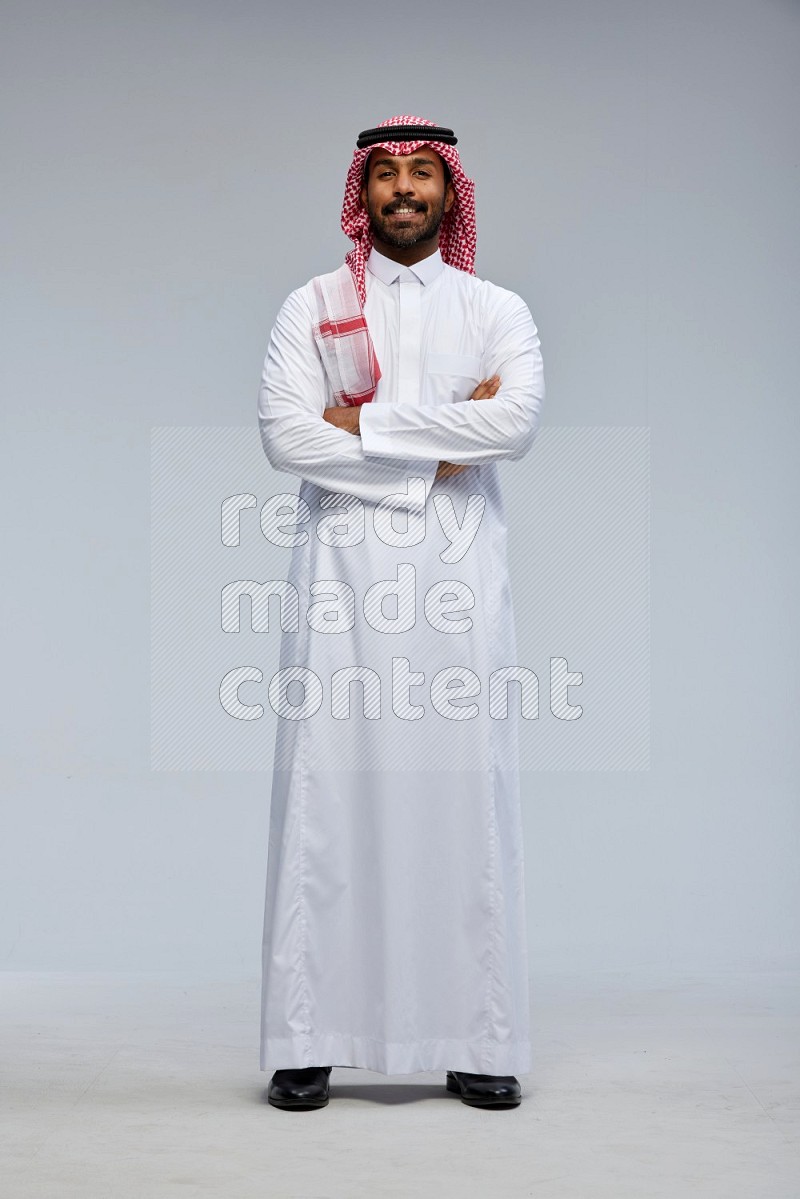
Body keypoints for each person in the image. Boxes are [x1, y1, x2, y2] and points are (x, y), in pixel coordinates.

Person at [256, 115, 545, 1110]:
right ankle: (308, 1033)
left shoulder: (495, 307)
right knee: (328, 791)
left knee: (462, 787)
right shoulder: (314, 304)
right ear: (361, 194)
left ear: (450, 193)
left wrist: (367, 424)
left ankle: (476, 1035)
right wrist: (432, 452)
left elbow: (513, 420)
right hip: (340, 573)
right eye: (385, 176)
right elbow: (286, 438)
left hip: (458, 579)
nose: (404, 190)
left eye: (423, 173)